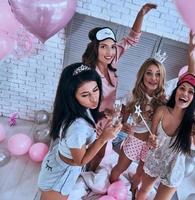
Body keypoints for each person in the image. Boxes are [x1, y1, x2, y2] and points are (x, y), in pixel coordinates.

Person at [136, 32, 195, 200]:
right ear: (176, 91)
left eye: (191, 92)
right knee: (143, 191)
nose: (185, 93)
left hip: (173, 169)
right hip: (154, 160)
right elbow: (151, 137)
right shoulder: (161, 111)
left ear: (194, 99)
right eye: (182, 89)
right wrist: (151, 141)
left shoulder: (193, 122)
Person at [82, 3, 157, 171]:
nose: (109, 51)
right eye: (103, 47)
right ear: (96, 48)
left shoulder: (112, 60)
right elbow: (82, 100)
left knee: (100, 154)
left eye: (112, 46)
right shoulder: (88, 73)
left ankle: (89, 175)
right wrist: (102, 113)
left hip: (107, 119)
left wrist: (141, 14)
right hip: (90, 119)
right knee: (85, 152)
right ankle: (80, 173)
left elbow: (132, 38)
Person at [38, 63, 122, 200]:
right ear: (72, 96)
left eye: (96, 89)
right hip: (62, 172)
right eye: (85, 94)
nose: (94, 98)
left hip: (59, 162)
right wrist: (103, 139)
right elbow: (80, 161)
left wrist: (102, 115)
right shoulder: (77, 127)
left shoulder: (76, 109)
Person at [109, 56, 167, 195]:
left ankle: (133, 192)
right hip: (135, 140)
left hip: (150, 145)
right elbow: (123, 113)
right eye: (149, 73)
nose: (153, 78)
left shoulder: (164, 100)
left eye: (158, 74)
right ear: (142, 75)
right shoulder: (133, 95)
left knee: (140, 174)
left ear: (162, 77)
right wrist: (123, 124)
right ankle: (109, 189)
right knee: (119, 168)